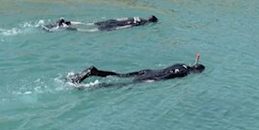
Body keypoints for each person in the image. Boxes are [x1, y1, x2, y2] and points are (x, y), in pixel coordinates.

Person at [69, 55, 204, 85]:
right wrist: (151, 81)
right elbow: (167, 76)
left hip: (147, 71)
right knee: (121, 85)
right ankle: (89, 86)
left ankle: (94, 72)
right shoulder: (185, 73)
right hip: (151, 76)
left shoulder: (181, 64)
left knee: (121, 76)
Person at [42, 15, 158, 32]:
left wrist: (112, 20)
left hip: (113, 21)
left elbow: (124, 18)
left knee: (90, 24)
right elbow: (128, 26)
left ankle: (68, 22)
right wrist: (117, 29)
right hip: (115, 25)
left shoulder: (139, 18)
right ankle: (68, 28)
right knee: (91, 31)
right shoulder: (142, 23)